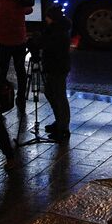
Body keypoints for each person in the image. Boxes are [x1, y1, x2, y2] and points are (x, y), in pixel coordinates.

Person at [38, 9, 73, 141]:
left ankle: (63, 127)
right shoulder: (57, 29)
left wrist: (40, 39)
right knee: (51, 93)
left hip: (56, 67)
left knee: (59, 96)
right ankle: (60, 121)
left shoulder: (57, 33)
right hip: (55, 66)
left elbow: (47, 45)